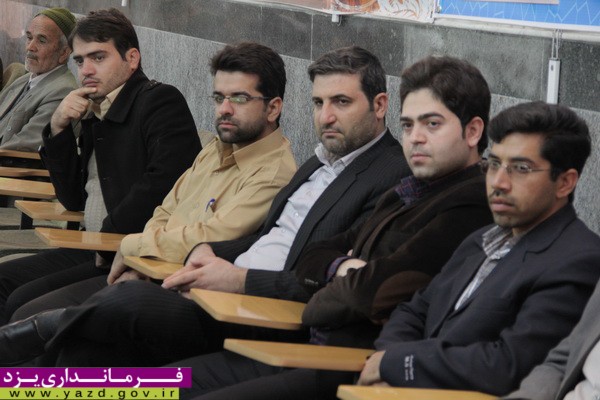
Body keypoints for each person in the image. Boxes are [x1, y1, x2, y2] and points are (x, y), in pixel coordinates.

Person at [0, 46, 411, 366]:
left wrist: (235, 277)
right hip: (200, 279)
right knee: (84, 347)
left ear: (380, 106)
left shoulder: (387, 175)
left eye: (341, 102)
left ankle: (24, 347)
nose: (326, 117)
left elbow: (331, 272)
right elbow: (188, 217)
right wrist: (204, 254)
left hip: (259, 312)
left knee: (113, 307)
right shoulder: (317, 162)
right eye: (319, 103)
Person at [184, 101, 600, 400]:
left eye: (520, 169)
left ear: (565, 182)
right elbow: (414, 310)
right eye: (495, 164)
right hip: (358, 370)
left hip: (384, 380)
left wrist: (399, 365)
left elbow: (507, 364)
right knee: (156, 384)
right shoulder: (484, 238)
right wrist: (389, 359)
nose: (500, 182)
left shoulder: (575, 259)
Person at [167, 55, 497, 399]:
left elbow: (365, 294)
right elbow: (312, 254)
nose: (415, 138)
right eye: (408, 125)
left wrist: (336, 276)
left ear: (473, 131)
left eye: (432, 125)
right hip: (300, 350)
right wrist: (343, 267)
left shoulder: (470, 203)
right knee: (141, 384)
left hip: (342, 367)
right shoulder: (409, 190)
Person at [8, 41, 298, 321]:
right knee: (23, 302)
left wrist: (133, 248)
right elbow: (165, 210)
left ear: (273, 108)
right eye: (219, 98)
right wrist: (139, 256)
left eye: (239, 98)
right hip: (139, 264)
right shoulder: (218, 148)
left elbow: (211, 236)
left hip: (178, 287)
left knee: (32, 313)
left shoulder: (274, 173)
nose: (224, 109)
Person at [0, 8, 200, 324]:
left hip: (129, 254)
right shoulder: (98, 108)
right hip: (91, 246)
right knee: (4, 280)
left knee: (25, 306)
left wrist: (107, 235)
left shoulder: (160, 100)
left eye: (98, 57)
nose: (86, 70)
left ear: (131, 58)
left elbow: (164, 182)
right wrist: (59, 128)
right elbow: (72, 199)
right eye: (80, 61)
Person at [0, 7, 78, 156]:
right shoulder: (23, 80)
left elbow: (20, 149)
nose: (30, 47)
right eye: (29, 37)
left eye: (42, 40)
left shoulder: (63, 91)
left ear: (64, 52)